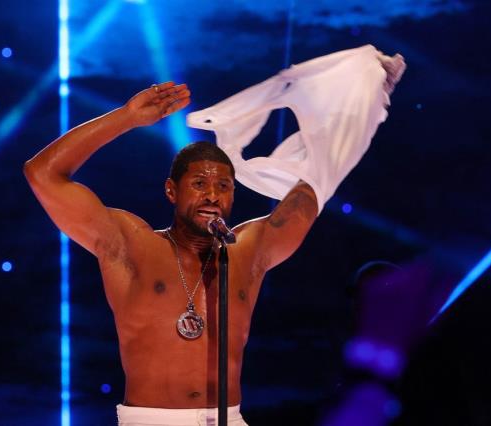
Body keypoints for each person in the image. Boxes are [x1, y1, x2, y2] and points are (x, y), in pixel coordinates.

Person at [24, 81, 319, 425]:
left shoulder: (248, 250)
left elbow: (316, 186)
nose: (212, 195)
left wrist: (360, 103)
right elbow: (42, 174)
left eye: (223, 187)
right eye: (199, 184)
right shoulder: (132, 245)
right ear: (171, 191)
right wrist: (126, 117)